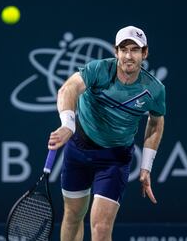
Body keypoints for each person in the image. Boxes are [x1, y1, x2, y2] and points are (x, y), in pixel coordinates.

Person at [48, 25, 166, 241]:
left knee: (101, 228)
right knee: (73, 216)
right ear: (116, 51)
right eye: (124, 49)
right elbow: (68, 89)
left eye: (135, 50)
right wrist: (67, 125)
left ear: (145, 53)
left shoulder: (154, 89)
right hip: (80, 150)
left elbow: (156, 122)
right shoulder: (98, 70)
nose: (129, 56)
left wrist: (146, 166)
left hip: (115, 159)